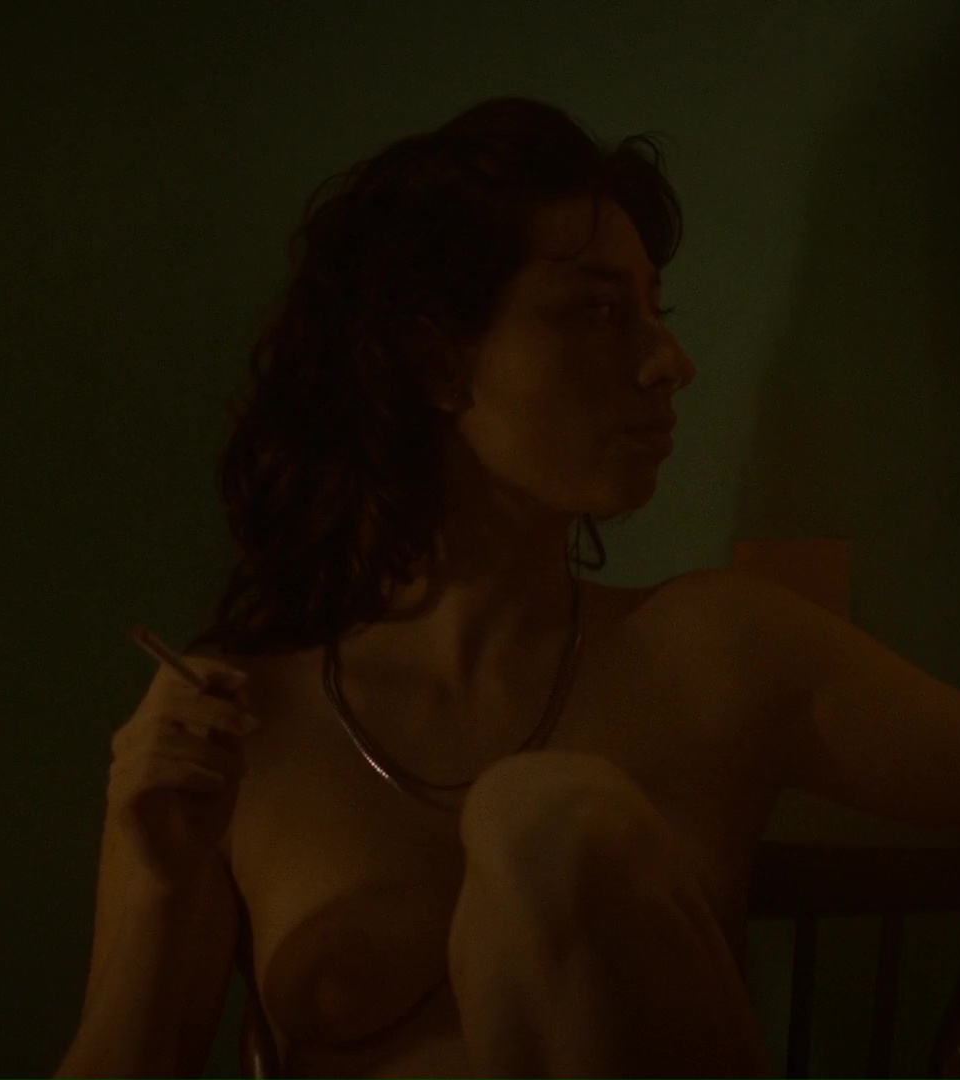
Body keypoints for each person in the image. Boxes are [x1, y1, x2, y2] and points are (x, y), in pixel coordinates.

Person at [53, 95, 777, 1080]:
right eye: (599, 311)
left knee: (541, 816)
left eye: (655, 310)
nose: (669, 363)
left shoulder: (709, 643)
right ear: (437, 363)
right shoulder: (236, 723)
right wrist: (156, 885)